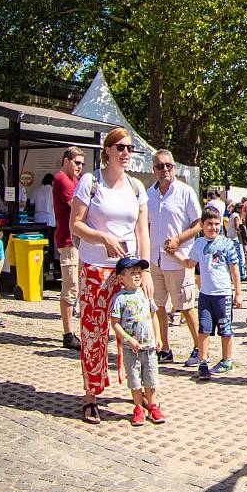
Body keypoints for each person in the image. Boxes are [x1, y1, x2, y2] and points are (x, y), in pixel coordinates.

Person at [69, 128, 152, 424]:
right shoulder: (90, 182)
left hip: (128, 271)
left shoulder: (136, 187)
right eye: (120, 147)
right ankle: (91, 395)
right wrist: (102, 237)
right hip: (95, 268)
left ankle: (140, 395)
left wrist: (145, 271)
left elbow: (142, 231)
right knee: (94, 334)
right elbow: (75, 224)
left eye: (130, 148)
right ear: (107, 150)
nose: (126, 152)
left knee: (134, 331)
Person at [171, 207, 242, 380]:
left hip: (223, 294)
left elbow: (234, 269)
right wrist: (174, 254)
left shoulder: (227, 243)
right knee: (204, 329)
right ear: (202, 225)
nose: (213, 228)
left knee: (225, 329)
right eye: (209, 224)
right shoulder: (198, 243)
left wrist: (238, 293)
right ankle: (203, 362)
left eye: (217, 224)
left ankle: (226, 361)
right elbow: (189, 263)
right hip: (205, 294)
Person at [145, 149, 201, 367]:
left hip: (178, 259)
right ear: (154, 169)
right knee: (157, 305)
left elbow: (198, 223)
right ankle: (164, 348)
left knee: (186, 306)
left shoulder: (185, 192)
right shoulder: (149, 195)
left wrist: (179, 239)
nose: (164, 170)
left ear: (174, 168)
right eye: (160, 166)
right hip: (155, 259)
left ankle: (200, 348)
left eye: (168, 165)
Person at [109, 255, 165, 427]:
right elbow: (115, 324)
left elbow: (153, 316)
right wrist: (127, 339)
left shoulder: (145, 295)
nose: (137, 276)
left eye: (139, 272)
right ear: (121, 278)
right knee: (134, 380)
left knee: (151, 378)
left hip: (149, 347)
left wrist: (158, 336)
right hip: (131, 349)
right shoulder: (119, 298)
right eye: (132, 273)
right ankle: (138, 407)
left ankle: (153, 406)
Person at [53, 147, 85, 350]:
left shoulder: (75, 180)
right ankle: (68, 334)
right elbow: (77, 206)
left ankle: (78, 331)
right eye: (76, 162)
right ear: (66, 161)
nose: (79, 167)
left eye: (81, 164)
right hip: (68, 241)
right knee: (71, 287)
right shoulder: (62, 179)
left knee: (79, 286)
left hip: (77, 240)